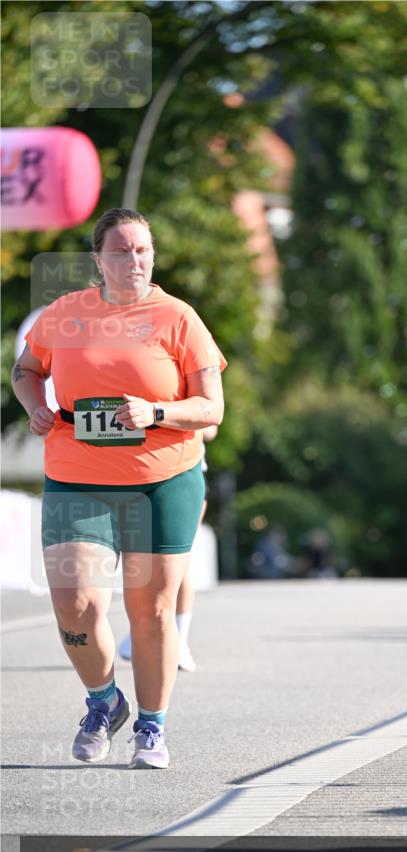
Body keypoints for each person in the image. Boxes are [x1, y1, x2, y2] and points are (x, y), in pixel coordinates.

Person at [11, 207, 227, 769]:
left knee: (150, 610)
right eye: (121, 250)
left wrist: (154, 409)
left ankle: (152, 726)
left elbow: (212, 409)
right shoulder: (65, 315)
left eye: (142, 250)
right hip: (76, 477)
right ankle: (104, 700)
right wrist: (37, 408)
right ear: (97, 260)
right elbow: (25, 371)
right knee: (74, 604)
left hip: (162, 478)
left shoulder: (179, 319)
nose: (133, 260)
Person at [116, 424, 218, 671]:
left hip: (182, 475)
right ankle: (141, 633)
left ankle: (180, 640)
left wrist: (158, 415)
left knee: (178, 562)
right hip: (135, 472)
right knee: (139, 558)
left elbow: (211, 429)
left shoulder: (189, 384)